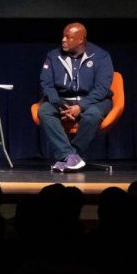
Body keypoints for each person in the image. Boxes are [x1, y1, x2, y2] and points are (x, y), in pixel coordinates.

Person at [37, 22, 114, 171]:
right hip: (62, 100)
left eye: (68, 37)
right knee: (44, 110)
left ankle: (71, 156)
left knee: (92, 115)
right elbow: (46, 83)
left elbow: (102, 88)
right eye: (63, 36)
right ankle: (70, 157)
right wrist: (59, 103)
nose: (63, 40)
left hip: (93, 100)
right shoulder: (53, 56)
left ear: (81, 40)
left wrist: (81, 106)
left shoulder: (101, 56)